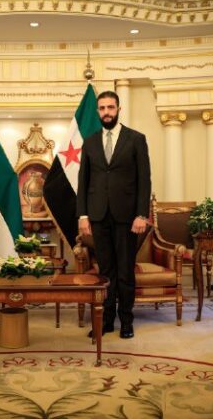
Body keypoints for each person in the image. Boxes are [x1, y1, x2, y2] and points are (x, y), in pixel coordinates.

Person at [77, 90, 151, 339]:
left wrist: (141, 214)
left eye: (110, 107)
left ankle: (127, 321)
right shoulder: (89, 142)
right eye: (102, 108)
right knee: (105, 271)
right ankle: (107, 321)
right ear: (98, 111)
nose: (106, 112)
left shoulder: (136, 139)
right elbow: (83, 181)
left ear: (119, 109)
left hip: (127, 216)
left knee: (125, 271)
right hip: (98, 216)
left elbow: (144, 180)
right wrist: (83, 215)